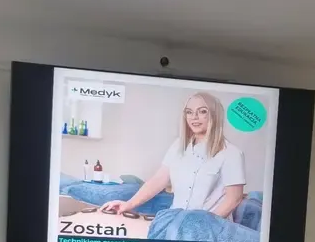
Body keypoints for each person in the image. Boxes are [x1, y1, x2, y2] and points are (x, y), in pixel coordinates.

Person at [102, 93, 246, 219]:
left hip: (211, 228)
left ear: (215, 115)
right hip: (176, 221)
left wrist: (204, 225)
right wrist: (128, 204)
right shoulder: (178, 145)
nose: (194, 117)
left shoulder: (231, 153)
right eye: (189, 112)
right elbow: (159, 179)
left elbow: (234, 198)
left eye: (202, 111)